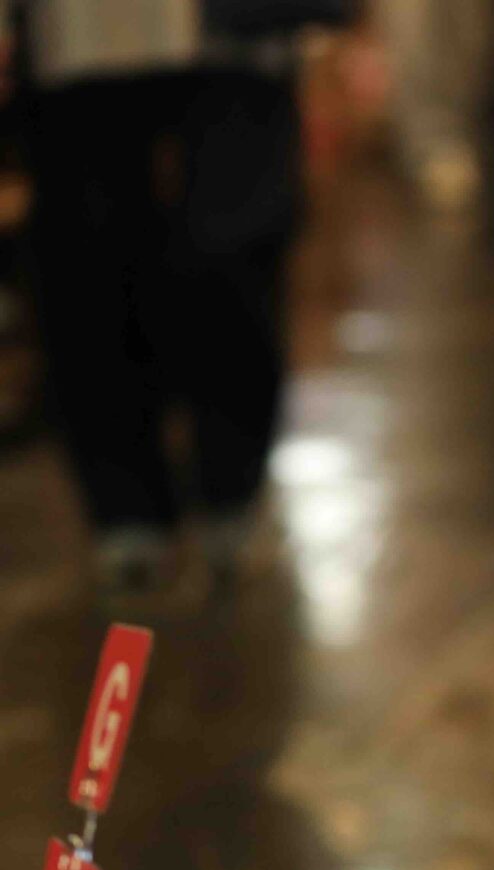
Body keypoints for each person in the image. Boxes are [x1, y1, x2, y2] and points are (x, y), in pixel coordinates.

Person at [12, 0, 311, 592]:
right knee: (90, 274)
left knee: (229, 262)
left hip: (232, 47)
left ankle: (234, 489)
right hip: (75, 43)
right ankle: (125, 509)